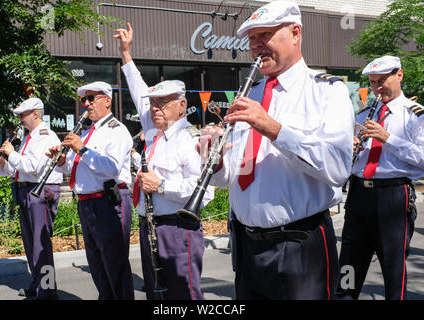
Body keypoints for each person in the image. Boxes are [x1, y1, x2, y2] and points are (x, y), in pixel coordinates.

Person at [198, 1, 354, 299]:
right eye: (251, 39)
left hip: (300, 245)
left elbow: (336, 169)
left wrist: (272, 128)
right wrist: (215, 159)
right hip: (247, 246)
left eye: (265, 35)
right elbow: (233, 175)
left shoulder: (326, 91)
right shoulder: (251, 93)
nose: (256, 46)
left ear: (295, 33)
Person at [114, 24, 214, 300]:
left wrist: (161, 185)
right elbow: (137, 88)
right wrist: (126, 52)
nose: (155, 108)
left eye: (163, 103)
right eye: (153, 103)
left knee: (184, 295)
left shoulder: (190, 139)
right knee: (156, 296)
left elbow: (204, 193)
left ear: (181, 106)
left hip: (177, 229)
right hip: (151, 226)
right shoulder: (153, 130)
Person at [336, 56, 423, 300]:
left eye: (382, 81)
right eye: (373, 83)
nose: (377, 88)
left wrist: (388, 138)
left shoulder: (415, 115)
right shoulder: (364, 115)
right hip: (359, 194)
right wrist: (349, 147)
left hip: (392, 194)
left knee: (393, 267)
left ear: (400, 75)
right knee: (349, 263)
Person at [47, 81, 134, 300]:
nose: (86, 104)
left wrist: (81, 148)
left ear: (107, 100)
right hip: (87, 203)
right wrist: (62, 161)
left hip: (108, 201)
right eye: (84, 100)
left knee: (115, 265)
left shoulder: (117, 130)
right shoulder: (87, 132)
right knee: (96, 264)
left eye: (91, 98)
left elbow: (111, 168)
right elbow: (79, 166)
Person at [0, 97, 62, 300]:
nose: (19, 119)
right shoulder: (29, 137)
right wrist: (2, 162)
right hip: (27, 189)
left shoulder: (45, 136)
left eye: (22, 115)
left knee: (41, 244)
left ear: (35, 113)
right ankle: (38, 282)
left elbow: (32, 168)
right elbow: (19, 169)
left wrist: (11, 153)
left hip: (41, 191)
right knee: (30, 243)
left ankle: (48, 290)